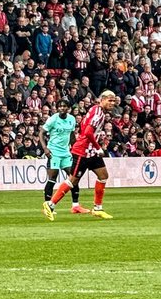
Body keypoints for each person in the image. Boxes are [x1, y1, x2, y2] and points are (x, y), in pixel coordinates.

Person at [43, 90, 116, 220]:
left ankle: (97, 208)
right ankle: (50, 204)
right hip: (83, 151)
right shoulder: (98, 113)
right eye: (109, 100)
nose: (112, 103)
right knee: (72, 181)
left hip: (90, 151)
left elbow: (84, 126)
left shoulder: (95, 110)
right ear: (102, 100)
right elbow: (88, 132)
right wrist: (98, 147)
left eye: (113, 101)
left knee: (103, 175)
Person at [40, 98, 86, 214]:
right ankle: (47, 206)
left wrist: (75, 148)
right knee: (52, 178)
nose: (61, 108)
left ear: (68, 108)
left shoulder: (71, 119)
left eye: (64, 106)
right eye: (59, 106)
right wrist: (45, 148)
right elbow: (41, 132)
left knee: (74, 177)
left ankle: (75, 205)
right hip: (54, 152)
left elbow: (71, 135)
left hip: (66, 153)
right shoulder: (53, 119)